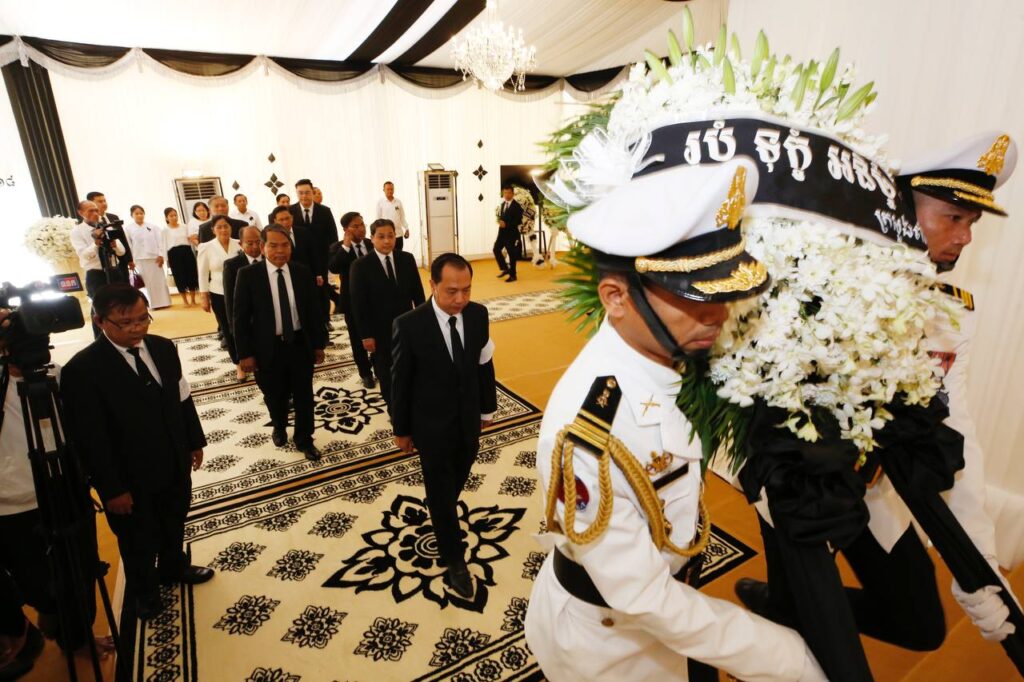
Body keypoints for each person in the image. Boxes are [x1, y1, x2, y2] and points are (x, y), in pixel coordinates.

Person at [524, 158, 824, 682]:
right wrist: (784, 655)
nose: (718, 313)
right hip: (612, 645)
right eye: (692, 295)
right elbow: (642, 595)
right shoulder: (588, 431)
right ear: (616, 298)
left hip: (670, 606)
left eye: (722, 291)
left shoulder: (668, 358)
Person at [61, 284, 212, 619]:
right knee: (137, 538)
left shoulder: (163, 347)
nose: (137, 328)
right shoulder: (82, 371)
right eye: (126, 322)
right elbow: (89, 439)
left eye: (143, 319)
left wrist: (194, 440)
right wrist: (111, 488)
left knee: (174, 518)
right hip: (128, 476)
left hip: (172, 459)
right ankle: (144, 591)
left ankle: (174, 566)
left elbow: (182, 397)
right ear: (100, 321)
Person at [391, 253, 497, 598]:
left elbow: (484, 364)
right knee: (441, 493)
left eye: (467, 290)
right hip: (430, 425)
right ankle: (455, 560)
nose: (460, 299)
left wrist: (487, 409)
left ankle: (440, 511)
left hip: (468, 420)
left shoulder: (478, 315)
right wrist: (401, 429)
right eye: (452, 291)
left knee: (454, 481)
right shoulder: (409, 325)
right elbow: (400, 382)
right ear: (432, 285)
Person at [233, 226, 327, 461]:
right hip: (266, 348)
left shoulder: (301, 272)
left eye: (285, 245)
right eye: (273, 245)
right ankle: (279, 424)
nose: (280, 251)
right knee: (275, 395)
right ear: (262, 247)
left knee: (304, 395)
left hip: (299, 344)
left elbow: (313, 312)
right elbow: (239, 318)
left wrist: (319, 344)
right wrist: (244, 354)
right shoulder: (248, 275)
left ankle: (304, 438)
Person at [349, 218, 425, 407]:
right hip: (379, 330)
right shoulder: (360, 266)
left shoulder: (407, 259)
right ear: (372, 238)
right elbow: (359, 305)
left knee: (409, 368)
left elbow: (418, 293)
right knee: (386, 372)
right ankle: (394, 409)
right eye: (381, 236)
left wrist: (424, 321)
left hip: (407, 326)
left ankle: (409, 404)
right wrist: (366, 335)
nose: (387, 241)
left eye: (390, 236)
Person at [328, 212, 374, 388]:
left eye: (362, 224)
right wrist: (346, 246)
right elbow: (334, 267)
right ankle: (365, 372)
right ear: (346, 229)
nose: (361, 228)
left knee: (376, 334)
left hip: (374, 299)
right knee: (357, 338)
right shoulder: (337, 247)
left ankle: (379, 365)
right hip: (352, 301)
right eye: (356, 226)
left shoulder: (371, 243)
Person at [289, 179, 337, 324]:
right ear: (297, 193)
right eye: (300, 193)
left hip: (321, 259)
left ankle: (325, 320)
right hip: (298, 259)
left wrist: (331, 258)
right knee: (301, 291)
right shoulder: (290, 211)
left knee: (322, 290)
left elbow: (333, 236)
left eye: (307, 192)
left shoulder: (325, 211)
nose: (304, 196)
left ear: (312, 192)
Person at [198, 216, 241, 365]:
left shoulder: (239, 243)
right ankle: (237, 362)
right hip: (218, 293)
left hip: (240, 291)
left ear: (231, 228)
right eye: (219, 227)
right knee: (227, 328)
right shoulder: (206, 247)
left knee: (242, 326)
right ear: (213, 230)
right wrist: (204, 297)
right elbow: (203, 273)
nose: (223, 230)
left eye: (226, 226)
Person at [223, 226, 263, 381]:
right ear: (240, 244)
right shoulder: (232, 265)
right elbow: (230, 301)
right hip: (247, 320)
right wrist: (234, 329)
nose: (255, 247)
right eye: (249, 243)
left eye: (258, 242)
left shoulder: (270, 259)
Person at [125, 205, 172, 309]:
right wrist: (130, 260)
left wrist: (161, 255)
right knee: (147, 282)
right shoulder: (128, 229)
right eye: (137, 213)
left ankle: (165, 302)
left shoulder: (153, 227)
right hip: (140, 259)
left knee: (159, 280)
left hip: (155, 258)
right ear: (132, 215)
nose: (139, 215)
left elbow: (160, 242)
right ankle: (153, 304)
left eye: (141, 213)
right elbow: (129, 245)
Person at [88, 190, 133, 281]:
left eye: (104, 201)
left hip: (121, 259)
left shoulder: (113, 217)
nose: (104, 203)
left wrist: (129, 259)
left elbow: (122, 238)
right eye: (100, 201)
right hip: (104, 264)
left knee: (125, 284)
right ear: (91, 204)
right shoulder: (90, 221)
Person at [163, 207, 199, 307]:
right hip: (173, 254)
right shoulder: (165, 230)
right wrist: (166, 260)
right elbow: (164, 245)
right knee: (179, 276)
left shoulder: (184, 226)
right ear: (166, 218)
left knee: (191, 274)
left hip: (187, 252)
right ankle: (185, 301)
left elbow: (190, 239)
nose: (174, 217)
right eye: (171, 216)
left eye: (175, 215)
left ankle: (193, 300)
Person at [269, 205, 316, 271]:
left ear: (292, 218)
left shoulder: (304, 232)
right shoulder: (272, 237)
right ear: (275, 221)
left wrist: (318, 273)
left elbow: (313, 254)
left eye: (287, 218)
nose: (285, 222)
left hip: (306, 271)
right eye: (281, 220)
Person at [494, 185, 522, 282]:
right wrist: (500, 222)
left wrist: (506, 224)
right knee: (496, 249)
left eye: (509, 193)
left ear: (513, 194)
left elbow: (518, 221)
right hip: (502, 234)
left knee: (511, 254)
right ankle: (505, 268)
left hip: (511, 234)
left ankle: (513, 275)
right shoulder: (502, 204)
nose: (506, 195)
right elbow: (503, 218)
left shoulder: (517, 206)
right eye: (505, 193)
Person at [376, 181, 410, 252]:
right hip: (386, 236)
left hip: (398, 234)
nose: (390, 191)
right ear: (384, 190)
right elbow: (378, 219)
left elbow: (402, 217)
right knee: (388, 254)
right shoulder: (380, 202)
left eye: (392, 189)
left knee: (399, 254)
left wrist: (406, 228)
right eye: (388, 189)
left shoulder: (398, 202)